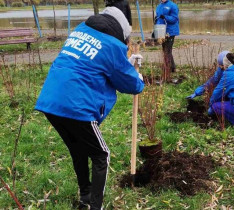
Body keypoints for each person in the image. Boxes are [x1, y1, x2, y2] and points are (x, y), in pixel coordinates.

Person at [35, 7, 144, 210]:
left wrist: (126, 64)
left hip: (51, 102)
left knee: (78, 149)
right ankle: (96, 206)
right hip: (77, 107)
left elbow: (95, 65)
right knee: (101, 154)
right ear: (120, 30)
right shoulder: (112, 44)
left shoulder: (80, 31)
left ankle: (85, 196)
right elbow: (131, 84)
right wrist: (138, 77)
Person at [155, 0, 179, 72]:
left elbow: (174, 19)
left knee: (167, 50)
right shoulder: (159, 6)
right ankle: (173, 68)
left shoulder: (173, 5)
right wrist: (156, 22)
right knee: (165, 49)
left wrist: (165, 17)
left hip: (170, 31)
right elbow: (158, 18)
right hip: (162, 30)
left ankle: (167, 68)